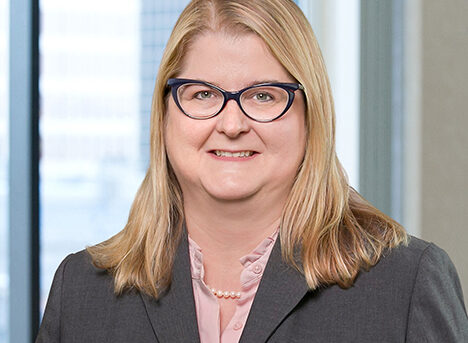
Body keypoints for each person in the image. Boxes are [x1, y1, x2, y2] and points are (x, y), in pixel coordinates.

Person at [36, 0, 468, 342]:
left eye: (263, 96)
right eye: (203, 94)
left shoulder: (406, 285)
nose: (231, 123)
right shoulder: (82, 290)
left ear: (310, 115)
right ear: (165, 114)